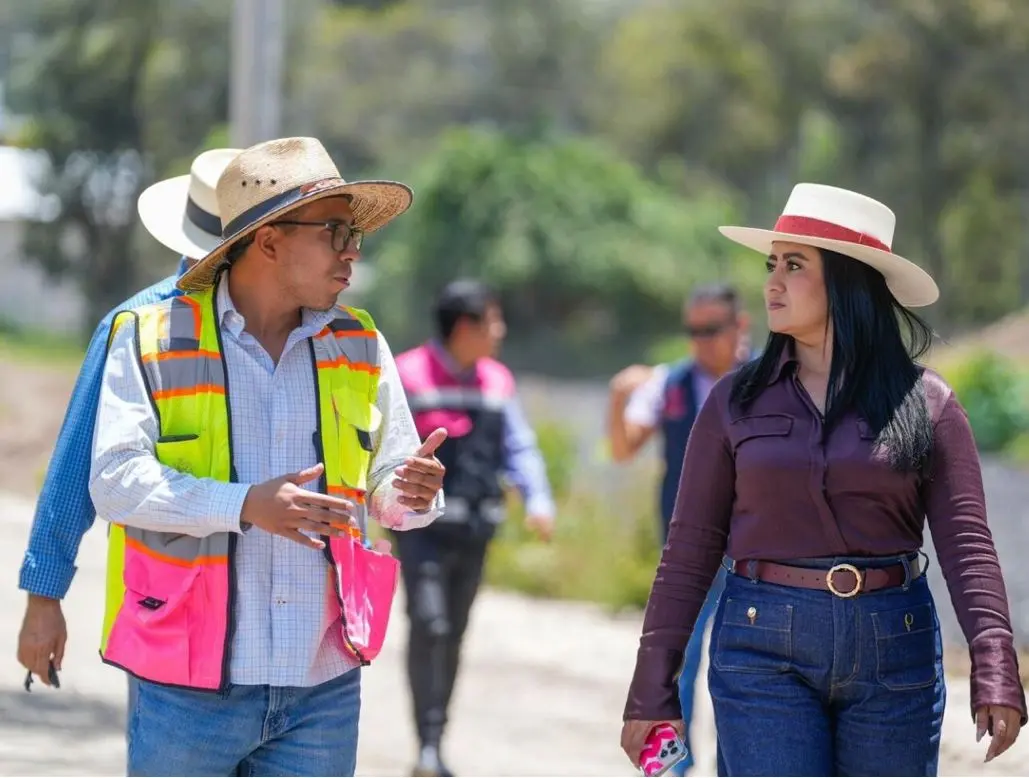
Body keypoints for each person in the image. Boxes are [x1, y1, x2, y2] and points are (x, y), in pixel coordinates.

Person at [620, 183, 1027, 776]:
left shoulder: (929, 404)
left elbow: (967, 545)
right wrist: (651, 685)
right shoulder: (734, 402)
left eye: (794, 264)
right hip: (760, 646)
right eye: (770, 264)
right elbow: (689, 548)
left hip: (897, 647)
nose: (772, 282)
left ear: (847, 278)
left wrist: (995, 661)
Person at [88, 136, 447, 777]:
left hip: (323, 688)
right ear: (269, 241)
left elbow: (388, 490)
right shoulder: (148, 338)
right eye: (335, 231)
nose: (352, 251)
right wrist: (245, 504)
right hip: (185, 691)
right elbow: (113, 480)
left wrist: (411, 492)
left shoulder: (361, 344)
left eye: (354, 234)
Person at [17, 147, 241, 690]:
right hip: (170, 624)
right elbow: (75, 471)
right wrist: (44, 597)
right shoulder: (137, 326)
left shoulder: (303, 331)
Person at [394, 279, 556, 777]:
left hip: (476, 532)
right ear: (466, 327)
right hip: (421, 531)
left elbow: (519, 445)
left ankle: (436, 742)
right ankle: (426, 742)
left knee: (455, 633)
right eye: (494, 320)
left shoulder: (498, 382)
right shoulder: (406, 375)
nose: (500, 330)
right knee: (430, 624)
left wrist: (538, 499)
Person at [607, 283, 749, 775]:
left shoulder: (773, 381)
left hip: (758, 552)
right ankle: (674, 771)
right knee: (676, 667)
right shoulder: (668, 383)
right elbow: (624, 450)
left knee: (743, 669)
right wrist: (618, 397)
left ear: (740, 326)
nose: (702, 341)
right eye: (694, 331)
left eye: (712, 329)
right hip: (689, 552)